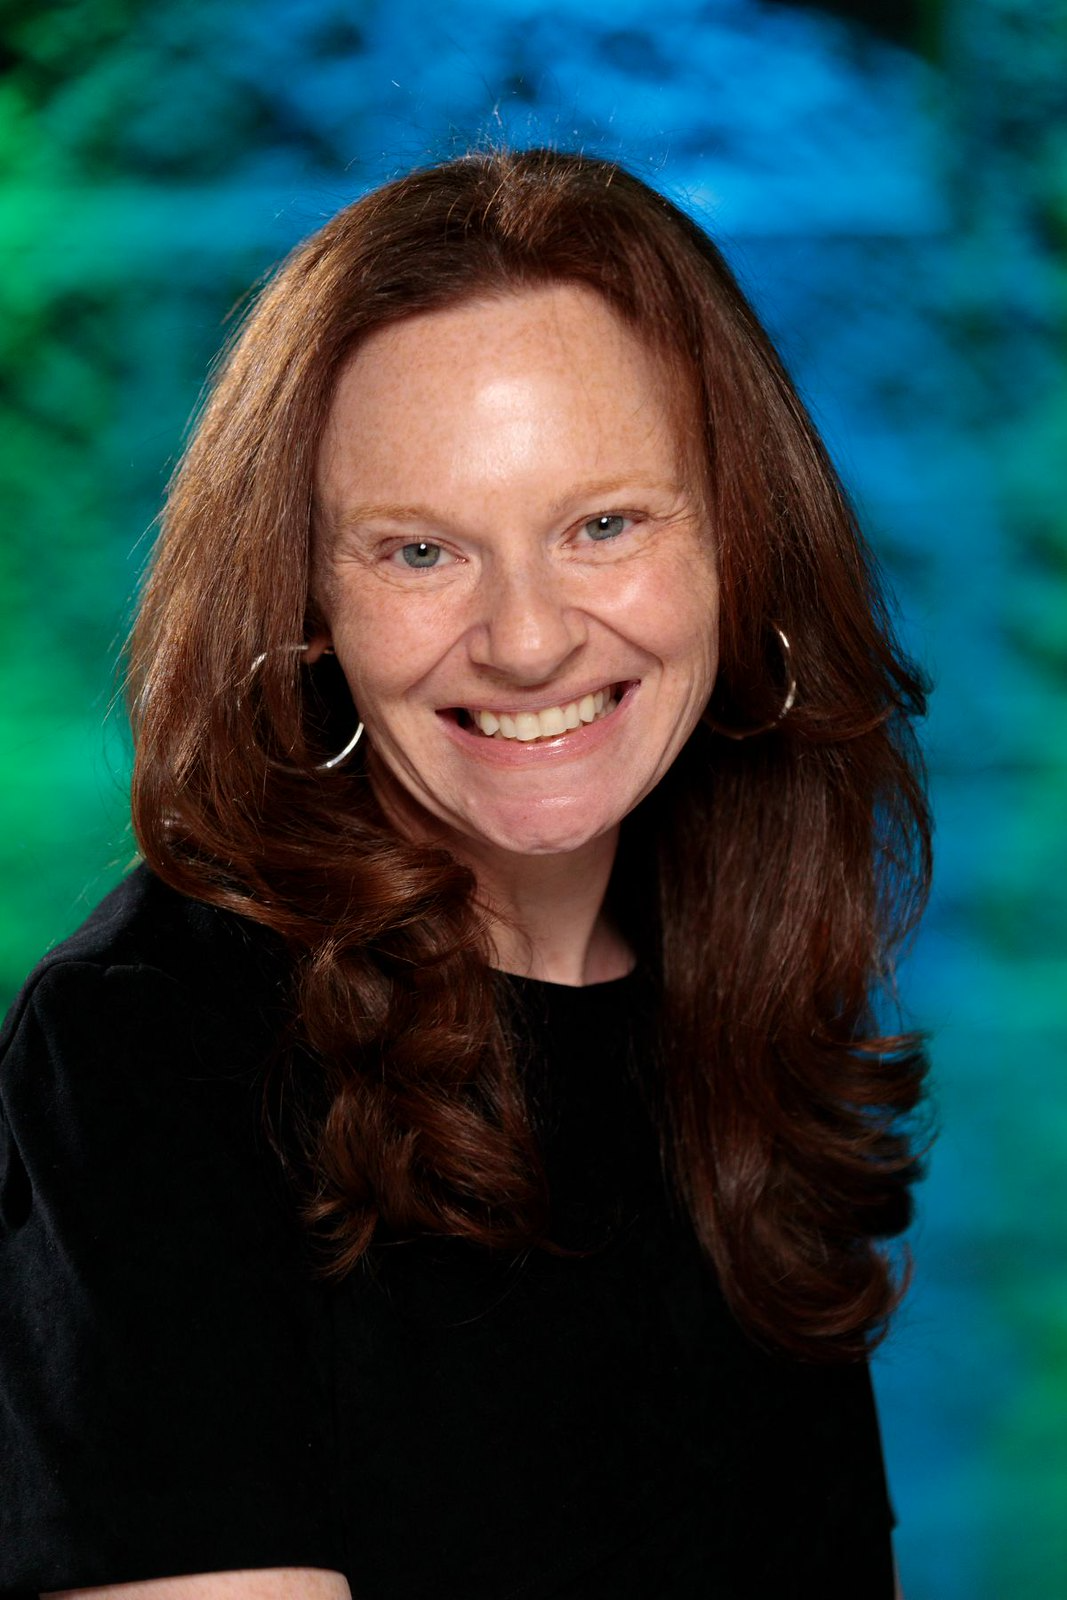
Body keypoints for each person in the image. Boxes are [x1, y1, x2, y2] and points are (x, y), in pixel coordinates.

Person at [0, 147, 930, 1599]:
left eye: (603, 524)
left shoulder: (726, 1039)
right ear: (307, 602)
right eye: (420, 550)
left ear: (740, 545)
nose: (525, 640)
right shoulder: (145, 1052)